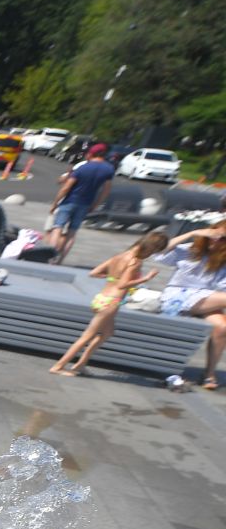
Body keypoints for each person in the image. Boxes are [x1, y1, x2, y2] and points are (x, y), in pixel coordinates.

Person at [51, 231, 167, 375]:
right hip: (111, 302)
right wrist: (146, 278)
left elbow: (93, 273)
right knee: (87, 337)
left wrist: (111, 277)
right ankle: (59, 366)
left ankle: (81, 364)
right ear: (151, 247)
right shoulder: (135, 262)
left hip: (101, 298)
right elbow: (123, 285)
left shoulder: (119, 256)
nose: (153, 254)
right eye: (155, 250)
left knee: (107, 333)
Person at [151, 221, 226, 389]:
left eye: (223, 239)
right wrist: (193, 233)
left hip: (204, 298)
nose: (216, 241)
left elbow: (223, 287)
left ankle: (209, 373)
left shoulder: (222, 258)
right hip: (178, 295)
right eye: (214, 236)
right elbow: (159, 252)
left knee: (222, 326)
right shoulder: (190, 249)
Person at [47, 145, 116, 263]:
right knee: (72, 233)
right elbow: (106, 191)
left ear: (91, 154)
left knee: (57, 228)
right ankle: (60, 260)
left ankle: (49, 256)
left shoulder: (83, 168)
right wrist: (96, 204)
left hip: (69, 201)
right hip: (86, 204)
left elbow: (66, 187)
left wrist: (55, 203)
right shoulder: (108, 169)